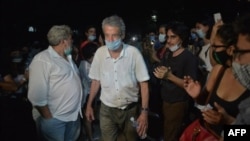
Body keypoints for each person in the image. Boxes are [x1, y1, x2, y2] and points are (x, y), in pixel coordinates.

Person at [85, 15, 150, 141]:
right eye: (107, 35)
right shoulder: (100, 53)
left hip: (130, 109)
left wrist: (144, 112)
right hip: (107, 110)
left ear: (123, 35)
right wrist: (89, 105)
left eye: (114, 35)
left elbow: (144, 84)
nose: (110, 39)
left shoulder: (133, 53)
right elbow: (95, 81)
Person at [183, 22, 250, 139]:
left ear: (231, 49)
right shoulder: (219, 70)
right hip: (204, 133)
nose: (212, 51)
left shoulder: (247, 81)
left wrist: (228, 122)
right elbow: (203, 101)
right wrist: (196, 95)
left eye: (216, 47)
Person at [28, 25, 83, 141]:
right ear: (64, 41)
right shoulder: (43, 60)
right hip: (56, 120)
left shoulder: (67, 58)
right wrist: (48, 117)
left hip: (72, 117)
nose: (72, 41)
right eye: (70, 39)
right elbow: (36, 95)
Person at [153, 21, 199, 141]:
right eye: (168, 37)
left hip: (178, 103)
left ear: (182, 38)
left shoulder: (189, 58)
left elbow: (191, 86)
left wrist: (169, 76)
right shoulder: (168, 54)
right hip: (165, 100)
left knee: (171, 135)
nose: (168, 40)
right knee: (167, 130)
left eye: (173, 37)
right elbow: (160, 69)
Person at [78, 42, 100, 141]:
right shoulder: (85, 65)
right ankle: (90, 138)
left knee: (91, 115)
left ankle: (90, 134)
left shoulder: (91, 63)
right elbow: (93, 80)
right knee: (88, 118)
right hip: (86, 95)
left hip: (93, 94)